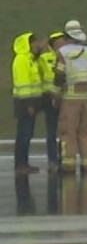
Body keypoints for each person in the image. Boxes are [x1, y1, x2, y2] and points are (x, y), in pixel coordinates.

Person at [57, 19, 87, 173]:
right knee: (86, 133)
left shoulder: (63, 52)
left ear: (67, 36)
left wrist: (55, 94)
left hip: (70, 99)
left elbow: (58, 76)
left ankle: (69, 166)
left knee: (69, 133)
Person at [10, 31, 46, 174]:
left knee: (27, 134)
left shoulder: (30, 59)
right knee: (24, 135)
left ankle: (23, 163)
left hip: (29, 103)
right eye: (34, 42)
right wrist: (29, 105)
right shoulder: (22, 60)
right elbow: (24, 83)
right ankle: (20, 164)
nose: (36, 44)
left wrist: (41, 49)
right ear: (27, 44)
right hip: (24, 104)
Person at [36, 31, 67, 171]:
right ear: (53, 44)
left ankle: (65, 158)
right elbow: (33, 62)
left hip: (65, 97)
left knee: (66, 131)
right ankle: (52, 160)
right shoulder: (44, 57)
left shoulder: (68, 57)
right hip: (49, 98)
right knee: (51, 131)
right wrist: (39, 48)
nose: (61, 44)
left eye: (63, 41)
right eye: (58, 42)